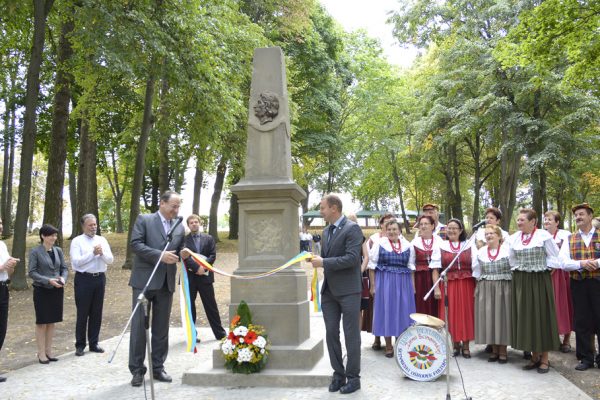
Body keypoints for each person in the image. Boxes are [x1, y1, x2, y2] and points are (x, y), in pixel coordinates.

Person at [128, 191, 189, 387]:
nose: (176, 210)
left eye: (178, 206)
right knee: (139, 328)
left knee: (161, 329)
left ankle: (158, 367)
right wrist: (160, 255)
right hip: (144, 282)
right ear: (162, 203)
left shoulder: (179, 226)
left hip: (166, 283)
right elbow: (135, 245)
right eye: (173, 205)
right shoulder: (144, 220)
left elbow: (178, 250)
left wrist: (184, 254)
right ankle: (137, 370)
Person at [310, 194, 362, 394]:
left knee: (351, 335)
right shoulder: (325, 231)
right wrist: (316, 259)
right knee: (331, 332)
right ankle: (338, 375)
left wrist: (323, 262)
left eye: (322, 208)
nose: (320, 211)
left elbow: (351, 259)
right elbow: (328, 257)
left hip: (349, 290)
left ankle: (354, 377)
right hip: (329, 291)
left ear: (334, 208)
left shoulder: (352, 229)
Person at [508, 208, 560, 374]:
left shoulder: (543, 236)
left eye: (522, 220)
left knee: (541, 316)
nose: (519, 222)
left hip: (539, 280)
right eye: (518, 219)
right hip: (521, 280)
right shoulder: (514, 238)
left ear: (533, 222)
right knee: (528, 317)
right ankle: (534, 355)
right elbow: (511, 259)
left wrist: (548, 268)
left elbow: (555, 256)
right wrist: (518, 270)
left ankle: (544, 358)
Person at [559, 203, 600, 371]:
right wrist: (582, 263)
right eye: (576, 215)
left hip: (598, 282)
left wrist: (596, 263)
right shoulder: (570, 238)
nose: (578, 217)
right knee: (582, 321)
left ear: (590, 216)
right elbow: (563, 263)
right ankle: (585, 358)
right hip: (579, 283)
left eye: (581, 214)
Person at [368, 219, 415, 358]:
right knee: (387, 311)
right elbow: (372, 267)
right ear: (385, 231)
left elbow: (411, 267)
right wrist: (373, 285)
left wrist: (412, 287)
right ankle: (388, 345)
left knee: (402, 312)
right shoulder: (379, 244)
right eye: (389, 229)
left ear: (399, 230)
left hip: (403, 282)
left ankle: (401, 343)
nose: (392, 232)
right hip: (385, 281)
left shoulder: (407, 245)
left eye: (394, 229)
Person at [70, 214, 114, 356]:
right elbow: (76, 262)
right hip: (84, 279)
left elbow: (110, 260)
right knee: (83, 312)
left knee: (96, 312)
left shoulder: (102, 240)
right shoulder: (77, 241)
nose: (93, 227)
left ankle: (94, 343)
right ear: (83, 226)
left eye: (95, 224)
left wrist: (101, 254)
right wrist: (92, 253)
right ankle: (80, 344)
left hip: (99, 278)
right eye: (90, 225)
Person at [433, 218, 477, 358]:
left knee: (466, 314)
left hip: (467, 284)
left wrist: (478, 287)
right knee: (451, 314)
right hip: (448, 284)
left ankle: (466, 346)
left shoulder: (469, 245)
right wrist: (436, 289)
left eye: (454, 228)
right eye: (449, 228)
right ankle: (455, 344)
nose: (451, 230)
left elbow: (476, 268)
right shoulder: (441, 246)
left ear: (461, 231)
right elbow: (435, 270)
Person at [28, 224, 68, 364]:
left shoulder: (58, 251)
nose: (54, 238)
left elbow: (64, 268)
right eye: (51, 235)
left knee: (52, 321)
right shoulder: (35, 252)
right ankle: (41, 353)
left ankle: (49, 351)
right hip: (42, 290)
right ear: (43, 236)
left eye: (55, 235)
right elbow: (32, 272)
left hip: (57, 290)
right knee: (42, 322)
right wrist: (48, 280)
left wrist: (63, 278)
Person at [182, 214, 226, 342]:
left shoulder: (209, 238)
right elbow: (184, 257)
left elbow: (212, 255)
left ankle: (220, 334)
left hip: (205, 277)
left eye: (196, 222)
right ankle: (192, 335)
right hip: (190, 277)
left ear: (199, 223)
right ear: (188, 225)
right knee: (190, 307)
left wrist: (204, 268)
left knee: (211, 305)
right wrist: (197, 268)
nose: (194, 224)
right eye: (191, 222)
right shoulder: (184, 240)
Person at [473, 225, 512, 363]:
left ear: (499, 236)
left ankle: (503, 350)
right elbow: (476, 272)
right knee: (489, 318)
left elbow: (514, 269)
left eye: (492, 233)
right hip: (486, 288)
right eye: (487, 234)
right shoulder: (481, 252)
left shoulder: (507, 251)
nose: (489, 236)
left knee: (503, 318)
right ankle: (494, 349)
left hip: (504, 287)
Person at [544, 210, 573, 353]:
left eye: (550, 219)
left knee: (565, 305)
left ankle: (566, 340)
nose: (547, 221)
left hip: (562, 275)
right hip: (547, 275)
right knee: (551, 307)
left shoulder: (565, 235)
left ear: (557, 222)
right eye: (545, 219)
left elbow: (566, 255)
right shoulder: (541, 236)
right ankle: (554, 338)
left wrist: (556, 266)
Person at [365, 213, 395, 350]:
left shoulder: (397, 238)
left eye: (391, 222)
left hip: (392, 279)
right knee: (376, 309)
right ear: (381, 224)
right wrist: (372, 283)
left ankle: (392, 339)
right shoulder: (373, 239)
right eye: (385, 222)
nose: (388, 224)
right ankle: (377, 338)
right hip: (377, 276)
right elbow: (369, 260)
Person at [409, 215, 441, 318]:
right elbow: (411, 265)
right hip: (420, 279)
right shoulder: (414, 243)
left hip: (436, 278)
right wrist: (413, 286)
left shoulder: (439, 241)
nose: (423, 226)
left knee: (436, 306)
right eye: (421, 224)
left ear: (432, 226)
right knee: (421, 305)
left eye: (426, 224)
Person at [0, 218, 19, 382]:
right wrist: (2, 267)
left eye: (0, 223)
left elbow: (8, 273)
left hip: (3, 288)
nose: (0, 226)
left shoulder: (2, 246)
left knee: (1, 329)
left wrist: (11, 266)